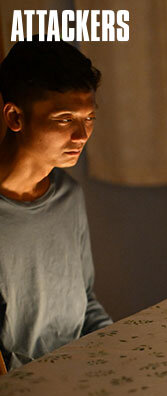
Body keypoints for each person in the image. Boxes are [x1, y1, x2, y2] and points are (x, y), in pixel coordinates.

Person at [0, 41, 112, 373]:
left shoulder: (68, 196)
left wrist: (118, 350)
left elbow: (86, 303)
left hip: (79, 372)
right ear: (15, 116)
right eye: (64, 119)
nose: (81, 135)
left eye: (89, 117)